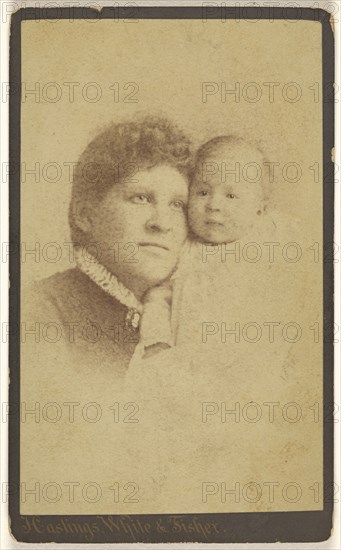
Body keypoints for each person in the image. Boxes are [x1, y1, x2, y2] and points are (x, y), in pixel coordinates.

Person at [21, 116, 193, 380]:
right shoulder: (39, 312)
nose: (162, 223)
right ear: (85, 215)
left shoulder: (189, 315)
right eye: (141, 198)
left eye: (177, 205)